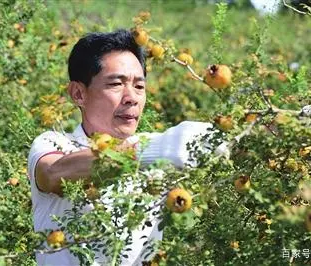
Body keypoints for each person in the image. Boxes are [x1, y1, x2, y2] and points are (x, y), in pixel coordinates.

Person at [27, 29, 212, 266]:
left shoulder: (157, 149)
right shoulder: (55, 144)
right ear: (78, 93)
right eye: (116, 84)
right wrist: (148, 152)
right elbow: (53, 174)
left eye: (139, 86)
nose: (131, 97)